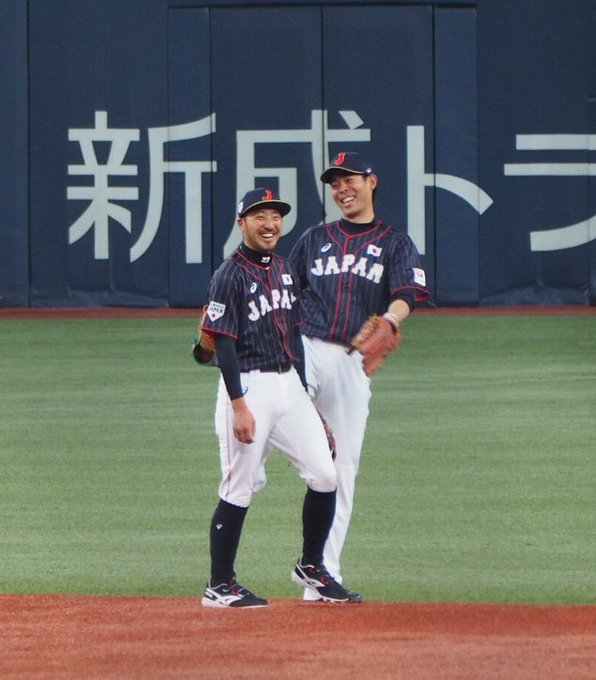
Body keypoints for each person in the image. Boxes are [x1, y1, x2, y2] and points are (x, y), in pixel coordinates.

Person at [200, 187, 352, 607]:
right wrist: (238, 405)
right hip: (249, 387)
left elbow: (293, 334)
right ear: (242, 223)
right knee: (239, 486)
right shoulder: (228, 275)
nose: (269, 224)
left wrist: (306, 398)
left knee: (325, 475)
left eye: (275, 216)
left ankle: (311, 566)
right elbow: (222, 345)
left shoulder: (284, 268)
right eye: (259, 216)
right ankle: (219, 584)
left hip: (289, 386)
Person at [289, 152, 430, 601]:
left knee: (340, 468)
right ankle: (224, 569)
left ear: (372, 181)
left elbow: (408, 292)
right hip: (304, 349)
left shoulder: (395, 242)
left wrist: (390, 319)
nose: (341, 189)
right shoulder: (313, 239)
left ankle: (321, 574)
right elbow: (285, 292)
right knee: (261, 432)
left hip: (352, 361)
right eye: (335, 184)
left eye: (349, 180)